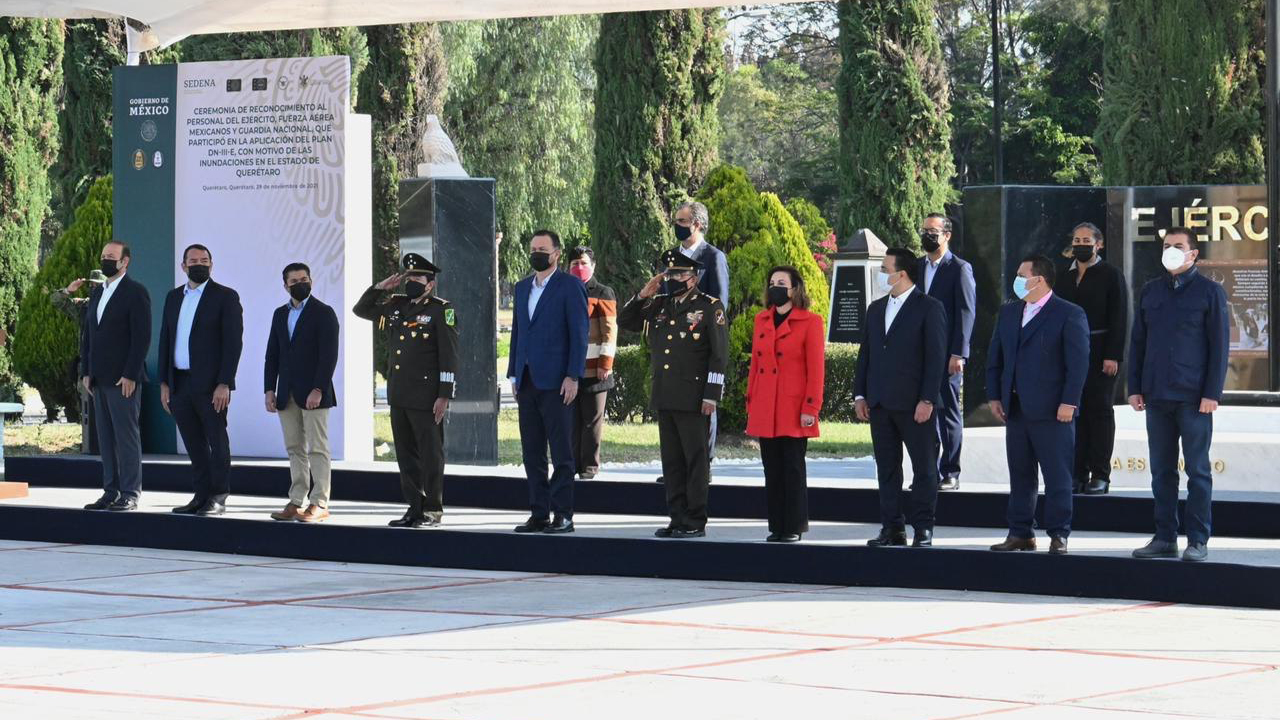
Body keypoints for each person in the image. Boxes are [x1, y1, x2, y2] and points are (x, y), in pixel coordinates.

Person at [1129, 227, 1229, 563]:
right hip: (1157, 396)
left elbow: (1219, 348)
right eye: (1166, 245)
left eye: (1178, 246)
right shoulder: (1150, 291)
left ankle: (1198, 539)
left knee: (1198, 471)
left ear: (1193, 254)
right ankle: (1164, 537)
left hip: (1194, 397)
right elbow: (1138, 342)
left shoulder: (1209, 292)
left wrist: (1212, 393)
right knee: (1161, 471)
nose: (1171, 250)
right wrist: (1134, 387)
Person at [619, 249, 727, 538]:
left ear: (692, 278)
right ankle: (676, 517)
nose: (672, 279)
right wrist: (643, 294)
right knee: (672, 461)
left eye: (678, 274)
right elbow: (626, 322)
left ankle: (695, 519)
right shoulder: (661, 304)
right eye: (668, 274)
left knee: (695, 460)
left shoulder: (709, 307)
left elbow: (718, 355)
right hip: (665, 393)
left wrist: (711, 394)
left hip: (694, 397)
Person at [986, 254, 1089, 555]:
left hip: (1053, 410)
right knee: (1020, 475)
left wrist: (1069, 401)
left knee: (1057, 475)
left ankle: (1059, 534)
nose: (1016, 280)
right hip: (1016, 409)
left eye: (1022, 275)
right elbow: (996, 358)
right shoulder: (1009, 313)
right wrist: (995, 395)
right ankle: (1020, 532)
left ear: (1039, 280)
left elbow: (1078, 363)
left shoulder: (1068, 314)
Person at [354, 254, 458, 528]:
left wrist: (444, 394)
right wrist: (381, 287)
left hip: (427, 396)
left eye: (418, 278)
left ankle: (432, 510)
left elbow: (448, 355)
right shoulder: (395, 305)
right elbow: (361, 310)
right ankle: (414, 507)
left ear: (430, 284)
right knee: (406, 454)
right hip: (399, 394)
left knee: (430, 454)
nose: (411, 281)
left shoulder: (441, 310)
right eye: (408, 277)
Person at [855, 248, 947, 547]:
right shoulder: (876, 308)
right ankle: (892, 527)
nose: (882, 274)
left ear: (902, 273)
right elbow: (865, 354)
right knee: (887, 468)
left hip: (914, 405)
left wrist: (928, 399)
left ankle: (923, 528)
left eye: (885, 268)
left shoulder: (929, 307)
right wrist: (860, 394)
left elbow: (935, 359)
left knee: (923, 468)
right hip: (880, 403)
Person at [507, 230, 588, 534]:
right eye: (533, 249)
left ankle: (563, 514)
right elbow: (518, 332)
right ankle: (539, 512)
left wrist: (573, 375)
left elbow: (579, 335)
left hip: (557, 382)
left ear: (556, 253)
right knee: (532, 452)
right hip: (527, 381)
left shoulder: (570, 286)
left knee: (562, 451)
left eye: (542, 249)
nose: (536, 253)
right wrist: (514, 373)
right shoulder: (522, 287)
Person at [158, 244, 244, 517]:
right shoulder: (173, 298)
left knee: (216, 441)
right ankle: (200, 496)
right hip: (179, 383)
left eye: (204, 260)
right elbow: (165, 340)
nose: (199, 264)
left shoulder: (225, 297)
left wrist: (225, 383)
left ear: (212, 264)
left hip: (210, 385)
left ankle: (218, 497)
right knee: (193, 442)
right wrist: (165, 382)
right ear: (183, 266)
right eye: (193, 261)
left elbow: (233, 344)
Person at [746, 265, 825, 543]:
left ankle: (792, 526)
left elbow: (816, 371)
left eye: (782, 282)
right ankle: (776, 526)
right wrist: (751, 401)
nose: (775, 286)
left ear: (795, 289)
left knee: (792, 468)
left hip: (793, 408)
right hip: (766, 405)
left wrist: (811, 408)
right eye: (772, 282)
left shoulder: (811, 322)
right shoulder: (761, 320)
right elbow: (755, 365)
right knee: (772, 469)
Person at [264, 262, 340, 523]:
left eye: (304, 279)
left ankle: (319, 502)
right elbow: (272, 354)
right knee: (294, 447)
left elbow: (328, 356)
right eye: (294, 281)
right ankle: (296, 500)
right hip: (286, 392)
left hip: (314, 393)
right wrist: (268, 389)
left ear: (312, 281)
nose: (300, 284)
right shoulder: (279, 314)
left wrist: (318, 388)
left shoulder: (324, 312)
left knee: (318, 447)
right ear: (285, 285)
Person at [1055, 222, 1127, 495]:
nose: (1081, 244)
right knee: (1073, 411)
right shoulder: (1063, 276)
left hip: (1100, 352)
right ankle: (1076, 472)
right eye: (1077, 239)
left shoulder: (1110, 274)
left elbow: (1119, 316)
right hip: (1069, 353)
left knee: (1099, 412)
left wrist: (1112, 355)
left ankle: (1100, 474)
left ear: (1099, 244)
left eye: (1087, 240)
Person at [80, 241, 151, 511]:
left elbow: (141, 337)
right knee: (106, 439)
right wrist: (86, 371)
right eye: (103, 256)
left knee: (126, 437)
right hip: (98, 379)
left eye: (111, 257)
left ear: (125, 262)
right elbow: (89, 334)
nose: (106, 260)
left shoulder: (136, 292)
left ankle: (130, 493)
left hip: (123, 379)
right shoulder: (98, 292)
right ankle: (110, 491)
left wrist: (131, 373)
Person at [918, 213, 976, 491]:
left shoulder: (959, 268)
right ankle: (927, 470)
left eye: (933, 231)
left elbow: (966, 312)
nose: (927, 235)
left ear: (947, 235)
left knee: (948, 411)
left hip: (946, 356)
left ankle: (950, 470)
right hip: (918, 355)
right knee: (921, 412)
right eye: (924, 230)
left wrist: (959, 353)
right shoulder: (916, 267)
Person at [673, 201, 729, 466]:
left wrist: (691, 321)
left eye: (682, 222)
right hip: (674, 347)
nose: (677, 226)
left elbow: (719, 305)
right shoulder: (672, 256)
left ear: (697, 224)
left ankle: (702, 464)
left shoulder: (713, 257)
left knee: (703, 407)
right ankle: (679, 467)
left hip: (701, 345)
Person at [566, 247, 617, 479]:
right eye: (575, 262)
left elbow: (609, 330)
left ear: (593, 265)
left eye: (584, 262)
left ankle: (589, 466)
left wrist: (605, 363)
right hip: (569, 370)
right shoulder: (563, 290)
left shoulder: (603, 292)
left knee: (592, 421)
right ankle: (572, 464)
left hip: (596, 369)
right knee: (572, 421)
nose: (579, 267)